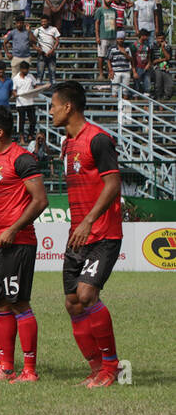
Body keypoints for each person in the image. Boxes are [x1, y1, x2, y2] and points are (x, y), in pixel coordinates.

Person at [49, 81, 123, 388]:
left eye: (53, 105)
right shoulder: (67, 143)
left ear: (68, 107)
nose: (50, 111)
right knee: (72, 302)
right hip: (76, 235)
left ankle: (111, 367)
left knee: (87, 294)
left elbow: (113, 184)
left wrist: (89, 220)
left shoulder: (98, 140)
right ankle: (96, 369)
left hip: (102, 232)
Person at [0, 106, 48, 382]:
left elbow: (40, 200)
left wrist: (13, 229)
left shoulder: (22, 158)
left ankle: (29, 370)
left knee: (19, 304)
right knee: (0, 303)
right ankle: (5, 368)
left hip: (17, 243)